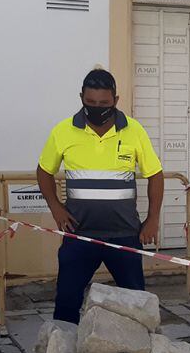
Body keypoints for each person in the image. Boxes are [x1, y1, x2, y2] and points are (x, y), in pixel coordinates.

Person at [37, 68, 164, 324]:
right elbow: (43, 171)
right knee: (67, 303)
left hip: (125, 235)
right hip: (79, 234)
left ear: (116, 100)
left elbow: (155, 175)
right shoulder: (63, 131)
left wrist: (152, 220)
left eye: (104, 103)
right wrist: (56, 208)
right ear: (81, 97)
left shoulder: (134, 131)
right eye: (90, 102)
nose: (97, 108)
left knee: (136, 304)